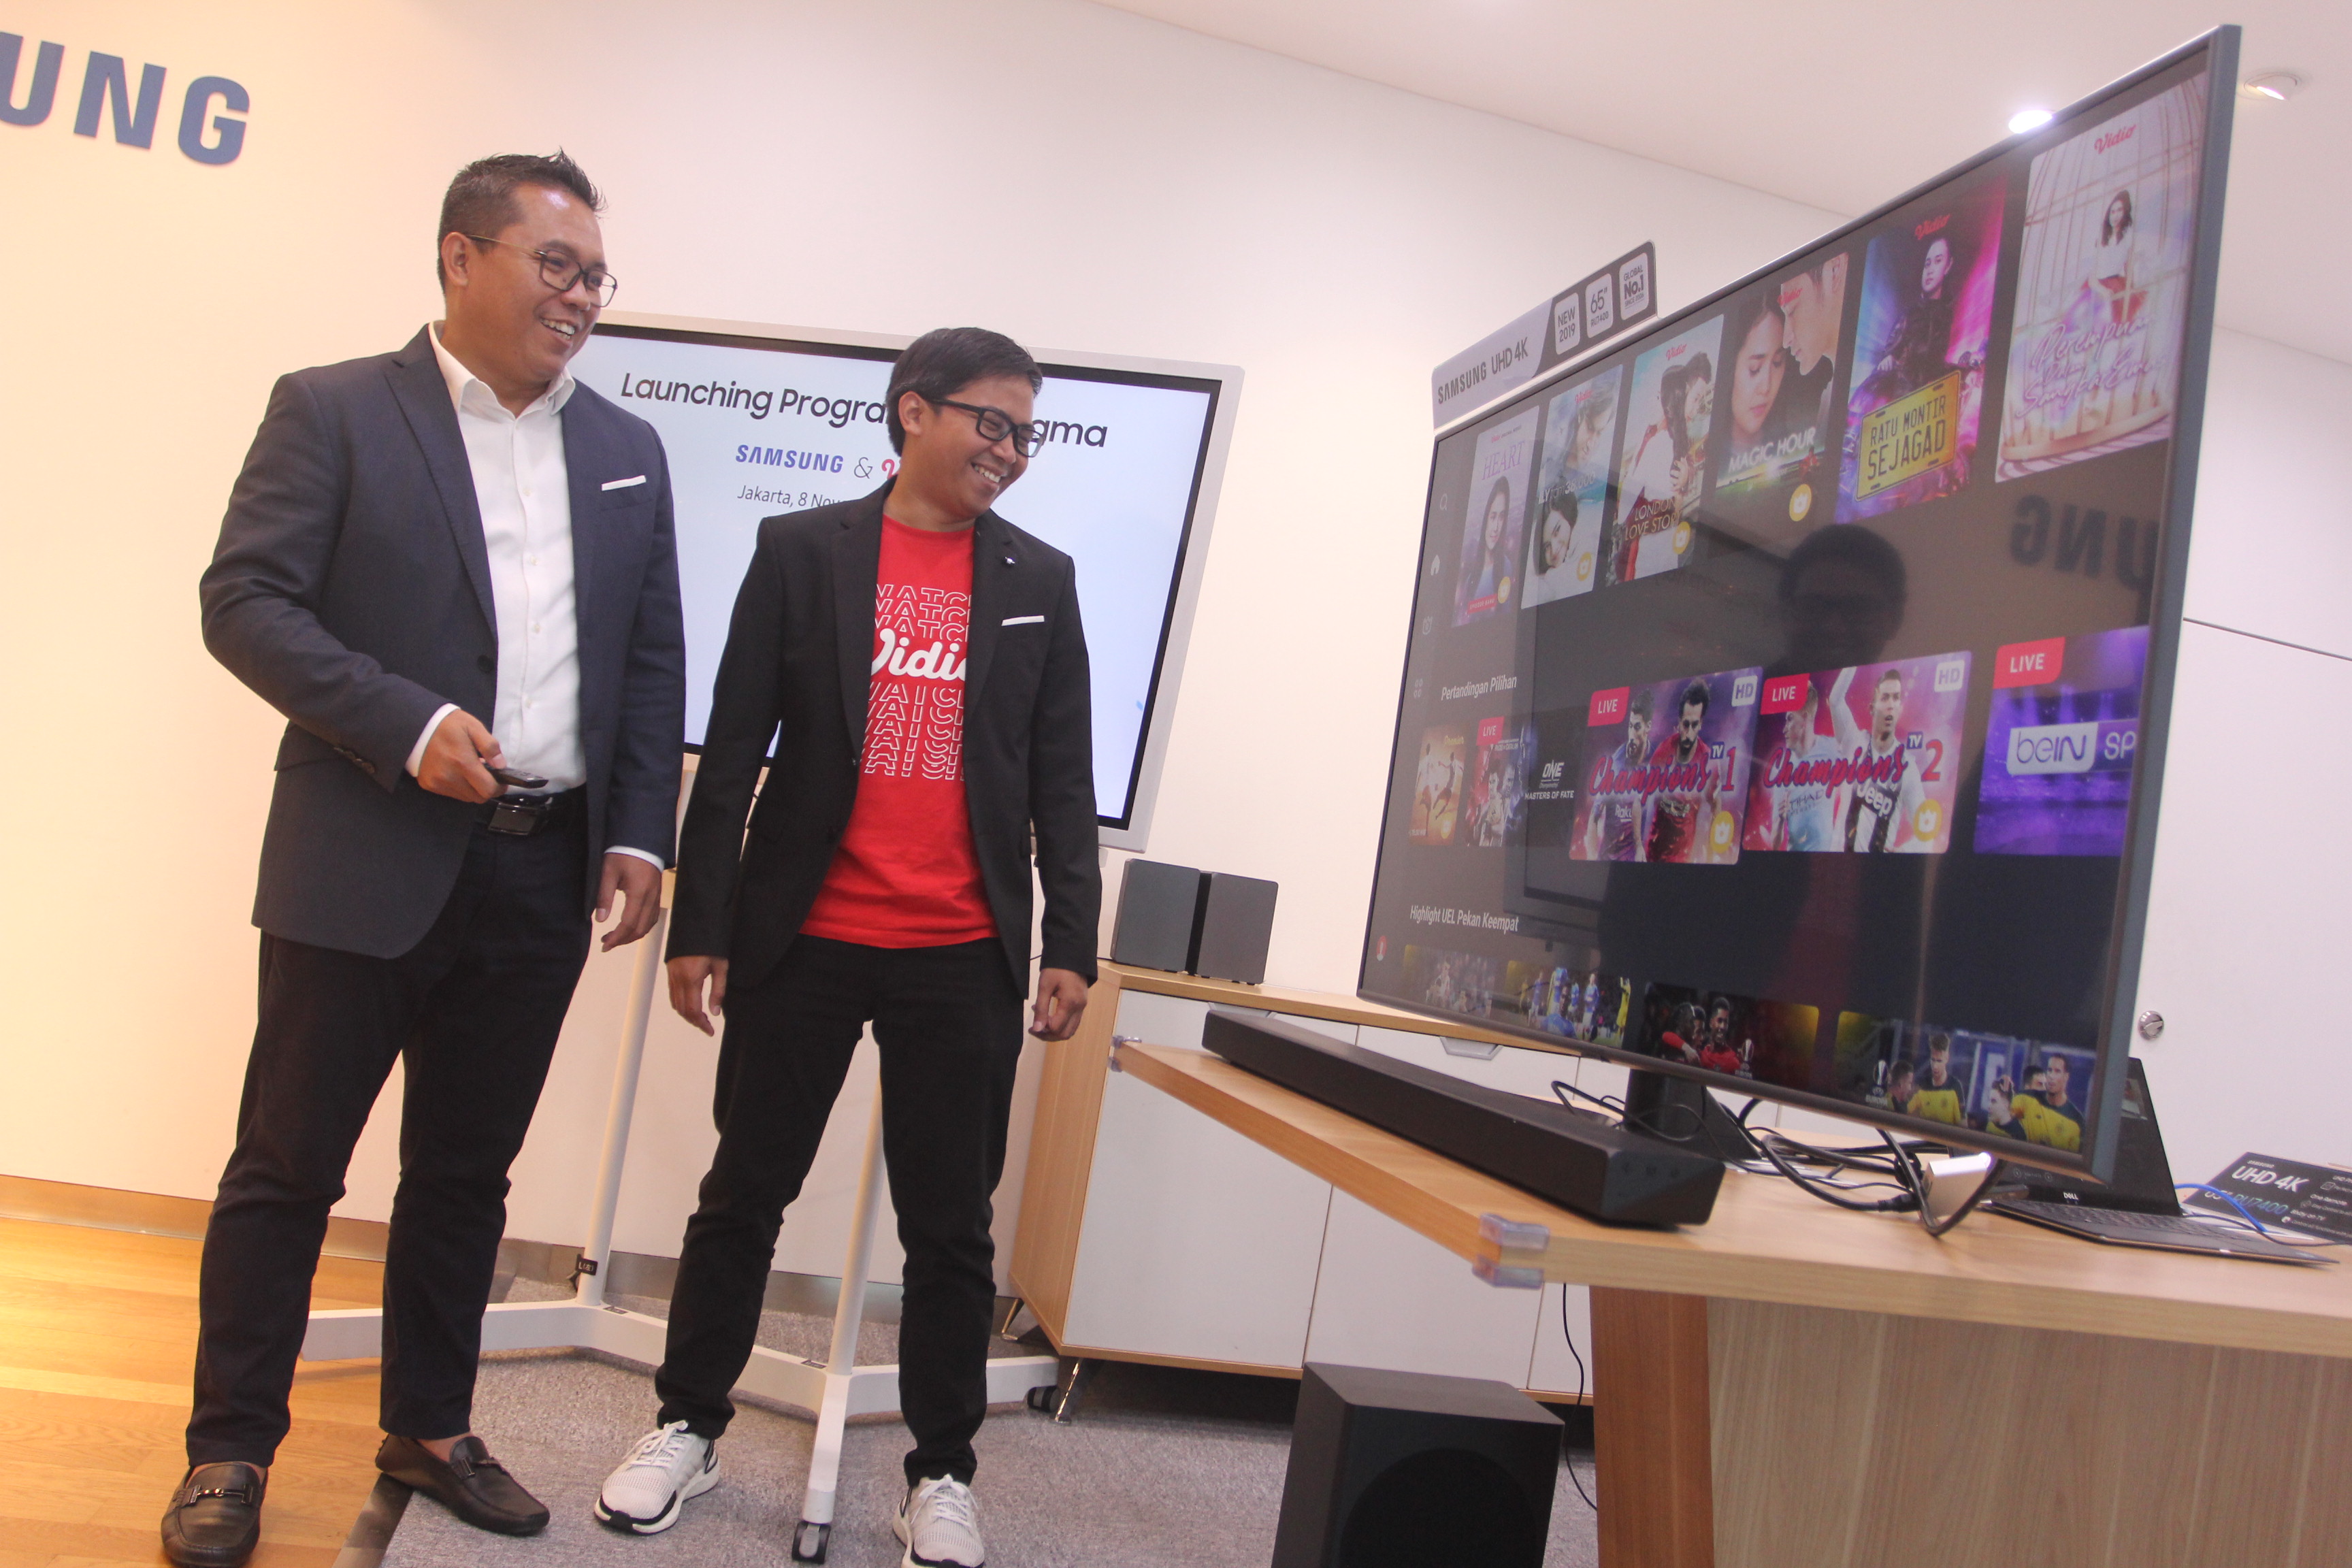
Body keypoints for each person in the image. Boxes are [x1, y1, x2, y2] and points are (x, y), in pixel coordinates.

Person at [167, 152, 685, 1568]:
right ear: (461, 256)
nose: (581, 297)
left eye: (597, 276)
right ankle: (229, 1448)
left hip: (541, 870)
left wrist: (639, 827)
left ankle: (431, 1427)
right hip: (362, 851)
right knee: (289, 1166)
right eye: (556, 265)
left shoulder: (628, 449)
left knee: (466, 1176)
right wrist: (404, 725)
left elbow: (649, 659)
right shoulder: (335, 408)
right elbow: (245, 601)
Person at [591, 328, 1099, 1568]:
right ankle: (688, 1423)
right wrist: (703, 924)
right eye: (992, 422)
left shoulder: (1042, 576)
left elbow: (1062, 780)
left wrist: (1071, 940)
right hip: (805, 933)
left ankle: (941, 1472)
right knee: (743, 1195)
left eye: (1027, 434)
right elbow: (734, 749)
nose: (1011, 451)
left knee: (951, 1232)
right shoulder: (799, 549)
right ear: (915, 411)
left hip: (962, 950)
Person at [1829, 664, 1926, 853]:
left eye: (1896, 698)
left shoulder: (1907, 767)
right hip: (1835, 864)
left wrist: (1902, 852)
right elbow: (1835, 701)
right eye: (1885, 697)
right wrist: (1855, 659)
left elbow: (1926, 834)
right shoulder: (1854, 741)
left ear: (1900, 708)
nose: (1891, 704)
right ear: (1872, 708)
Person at [1644, 679, 1722, 865]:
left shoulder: (1708, 761)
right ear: (1679, 723)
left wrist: (1712, 855)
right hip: (1653, 854)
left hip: (1683, 859)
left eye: (1695, 725)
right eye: (1686, 725)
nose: (1689, 732)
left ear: (1701, 724)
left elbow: (1716, 806)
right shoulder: (1663, 753)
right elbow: (1642, 798)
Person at [1582, 689, 1654, 862]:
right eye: (1630, 726)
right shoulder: (1615, 764)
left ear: (1648, 727)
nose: (1632, 734)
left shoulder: (1656, 758)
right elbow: (1594, 817)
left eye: (1637, 727)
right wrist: (1591, 859)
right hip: (1610, 860)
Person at [2015, 1054, 2087, 1152]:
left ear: (2066, 1077)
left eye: (2057, 1071)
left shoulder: (2076, 1121)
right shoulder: (2024, 1099)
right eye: (2049, 1070)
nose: (2052, 1076)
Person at [1905, 1033, 1966, 1126]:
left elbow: (1963, 1122)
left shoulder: (1955, 1086)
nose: (1935, 1066)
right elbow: (1906, 1114)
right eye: (1933, 1060)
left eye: (1939, 1061)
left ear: (1947, 1058)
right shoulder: (1922, 1085)